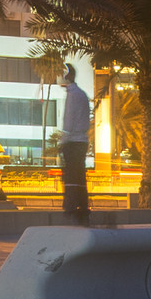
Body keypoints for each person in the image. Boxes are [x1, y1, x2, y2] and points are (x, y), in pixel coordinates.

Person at [58, 64, 91, 222]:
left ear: (67, 76)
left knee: (71, 175)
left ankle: (70, 206)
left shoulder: (72, 95)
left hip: (73, 141)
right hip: (82, 140)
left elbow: (69, 121)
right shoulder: (82, 94)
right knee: (80, 175)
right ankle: (83, 205)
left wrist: (63, 140)